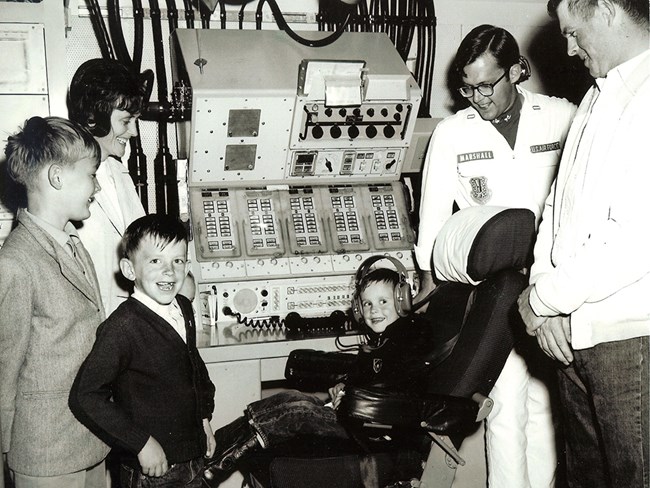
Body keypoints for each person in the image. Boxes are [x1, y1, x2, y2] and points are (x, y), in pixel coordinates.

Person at [413, 25, 576, 488]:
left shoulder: (560, 116)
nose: (477, 97)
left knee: (546, 404)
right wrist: (428, 277)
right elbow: (432, 214)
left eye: (486, 84)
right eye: (467, 87)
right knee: (505, 402)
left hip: (550, 282)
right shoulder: (452, 133)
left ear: (517, 71)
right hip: (497, 287)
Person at [517, 1, 650, 486]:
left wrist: (543, 298)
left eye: (574, 33)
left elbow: (635, 238)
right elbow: (558, 202)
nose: (569, 50)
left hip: (632, 341)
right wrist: (545, 300)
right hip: (576, 333)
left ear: (609, 10)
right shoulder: (599, 94)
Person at [202, 263, 440, 484]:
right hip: (359, 419)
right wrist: (345, 386)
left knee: (298, 410)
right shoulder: (381, 341)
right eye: (367, 303)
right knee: (291, 398)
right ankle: (211, 456)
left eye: (383, 302)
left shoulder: (410, 336)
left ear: (403, 301)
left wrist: (353, 395)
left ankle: (217, 466)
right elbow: (370, 374)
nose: (373, 310)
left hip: (374, 430)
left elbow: (395, 381)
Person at [0, 116, 109, 487]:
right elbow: (3, 370)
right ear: (58, 178)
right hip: (45, 454)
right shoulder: (15, 262)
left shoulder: (74, 247)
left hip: (91, 440)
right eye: (92, 174)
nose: (97, 186)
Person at [69, 213, 216, 488]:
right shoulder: (122, 327)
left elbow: (194, 369)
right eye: (155, 261)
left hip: (192, 458)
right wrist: (141, 443)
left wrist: (204, 419)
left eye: (178, 261)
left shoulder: (183, 308)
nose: (169, 271)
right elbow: (86, 396)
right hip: (152, 472)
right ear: (129, 269)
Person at [67, 58, 148, 315]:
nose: (134, 132)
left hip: (128, 326)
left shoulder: (117, 172)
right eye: (126, 121)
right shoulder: (60, 182)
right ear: (94, 118)